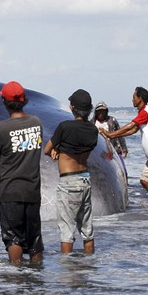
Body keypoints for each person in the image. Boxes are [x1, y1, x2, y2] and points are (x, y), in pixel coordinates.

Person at [0, 81, 44, 264]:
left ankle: (16, 279)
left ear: (4, 102)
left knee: (13, 238)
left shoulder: (2, 128)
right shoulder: (36, 123)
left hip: (10, 191)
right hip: (32, 190)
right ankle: (36, 280)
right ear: (24, 100)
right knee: (34, 239)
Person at [44, 89, 98, 255]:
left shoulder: (64, 127)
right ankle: (88, 266)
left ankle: (68, 270)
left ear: (71, 108)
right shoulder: (93, 130)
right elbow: (79, 148)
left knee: (67, 231)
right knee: (87, 230)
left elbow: (47, 149)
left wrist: (57, 152)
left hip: (69, 182)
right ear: (90, 108)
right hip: (85, 179)